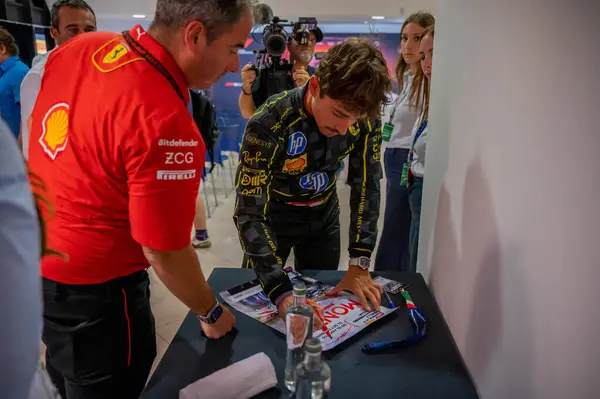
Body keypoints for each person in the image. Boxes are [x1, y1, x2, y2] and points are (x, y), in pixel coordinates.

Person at [27, 0, 253, 396]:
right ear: (195, 35)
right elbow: (164, 251)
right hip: (100, 293)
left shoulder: (82, 47)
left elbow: (34, 130)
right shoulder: (166, 121)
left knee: (63, 378)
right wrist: (211, 312)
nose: (235, 65)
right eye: (234, 48)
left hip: (42, 266)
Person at [233, 37, 392, 321]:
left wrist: (359, 263)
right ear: (316, 86)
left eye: (354, 121)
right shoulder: (269, 121)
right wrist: (280, 292)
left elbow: (367, 185)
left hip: (324, 219)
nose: (345, 129)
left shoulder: (366, 118)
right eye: (339, 114)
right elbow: (249, 212)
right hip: (274, 218)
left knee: (324, 309)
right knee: (262, 311)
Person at [375, 12, 434, 273]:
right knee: (393, 223)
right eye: (404, 38)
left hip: (407, 158)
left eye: (416, 38)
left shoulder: (427, 82)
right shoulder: (408, 78)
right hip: (394, 155)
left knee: (398, 225)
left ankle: (392, 277)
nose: (408, 46)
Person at [19, 0, 97, 158]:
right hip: (59, 172)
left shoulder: (100, 69)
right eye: (72, 30)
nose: (82, 37)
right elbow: (30, 142)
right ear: (54, 32)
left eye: (89, 29)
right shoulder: (38, 77)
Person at [238, 24, 323, 118]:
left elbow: (324, 116)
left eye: (312, 40)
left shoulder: (319, 77)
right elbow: (248, 113)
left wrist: (308, 91)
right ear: (289, 44)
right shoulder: (268, 73)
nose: (308, 44)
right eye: (302, 40)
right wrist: (246, 86)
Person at [407, 25, 434, 272]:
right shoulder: (430, 96)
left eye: (433, 54)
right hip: (416, 182)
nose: (426, 63)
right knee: (413, 256)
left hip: (428, 188)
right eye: (423, 56)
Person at [0, 27, 28, 139]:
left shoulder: (18, 72)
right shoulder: (4, 74)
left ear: (2, 49)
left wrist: (20, 150)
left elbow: (28, 114)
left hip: (17, 148)